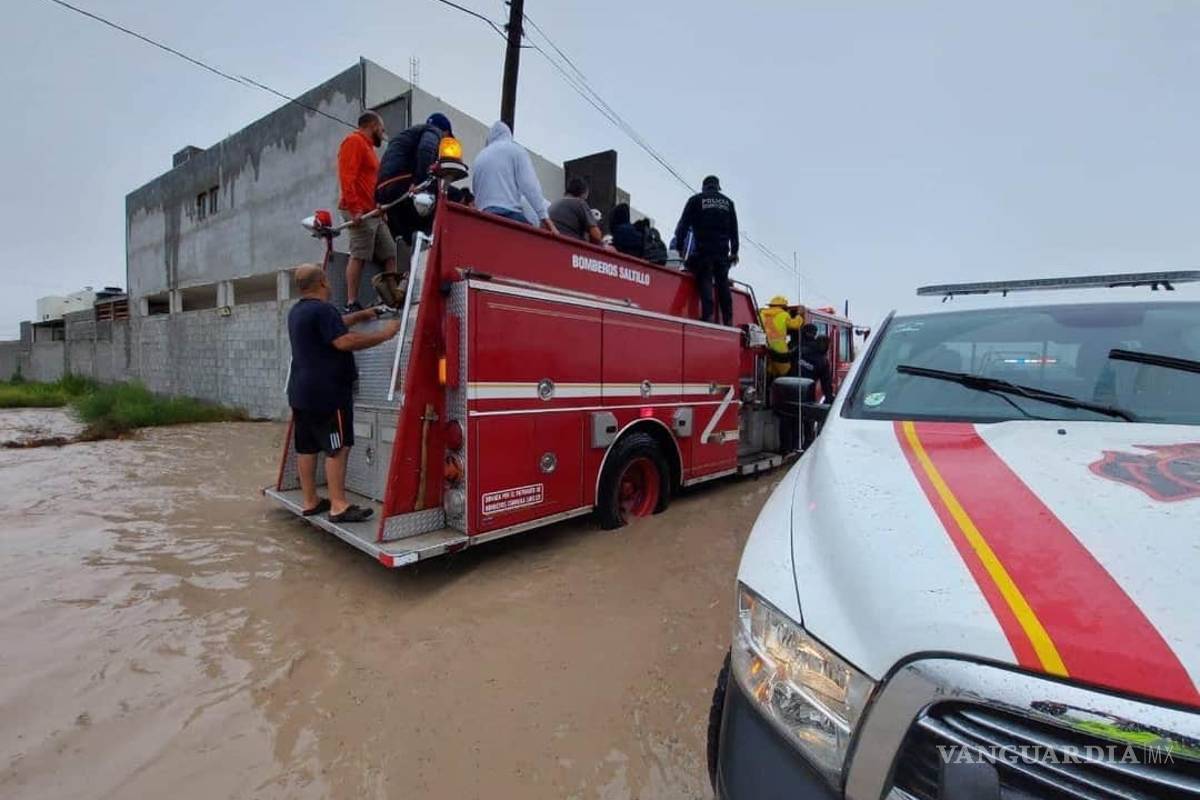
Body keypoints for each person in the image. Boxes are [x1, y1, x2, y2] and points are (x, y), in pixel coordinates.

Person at [287, 264, 400, 523]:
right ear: (323, 282)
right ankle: (338, 506)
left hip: (301, 393)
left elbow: (333, 325)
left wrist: (363, 315)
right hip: (328, 394)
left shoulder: (298, 311)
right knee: (337, 447)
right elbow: (343, 340)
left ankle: (310, 501)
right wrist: (385, 334)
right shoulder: (323, 310)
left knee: (307, 447)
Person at [337, 111, 397, 313]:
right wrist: (355, 209)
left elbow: (371, 183)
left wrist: (380, 206)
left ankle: (391, 297)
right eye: (382, 129)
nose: (383, 133)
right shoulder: (353, 142)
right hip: (359, 211)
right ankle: (351, 302)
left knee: (390, 253)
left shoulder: (369, 148)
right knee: (359, 254)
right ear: (373, 125)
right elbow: (347, 177)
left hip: (373, 212)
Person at [375, 112, 455, 248]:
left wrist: (378, 199)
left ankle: (408, 255)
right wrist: (419, 183)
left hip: (384, 191)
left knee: (404, 235)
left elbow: (384, 167)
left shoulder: (405, 137)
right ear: (446, 132)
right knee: (439, 199)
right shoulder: (434, 131)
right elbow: (426, 148)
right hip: (402, 183)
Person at [674, 175, 739, 324]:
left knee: (705, 279)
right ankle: (728, 319)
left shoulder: (695, 200)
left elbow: (683, 225)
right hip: (722, 252)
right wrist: (734, 252)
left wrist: (679, 246)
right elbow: (734, 231)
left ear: (704, 187)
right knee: (723, 283)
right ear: (718, 187)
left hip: (703, 251)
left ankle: (708, 315)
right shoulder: (728, 203)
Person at [472, 121, 558, 233]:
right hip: (508, 215)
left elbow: (476, 191)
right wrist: (545, 218)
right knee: (532, 240)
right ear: (508, 135)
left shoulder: (479, 157)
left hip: (483, 217)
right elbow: (530, 186)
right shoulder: (515, 150)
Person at [548, 177, 603, 244]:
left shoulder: (553, 204)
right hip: (568, 244)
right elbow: (596, 236)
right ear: (584, 193)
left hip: (549, 242)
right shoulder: (580, 203)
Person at [760, 296, 801, 377]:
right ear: (784, 307)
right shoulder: (784, 314)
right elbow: (795, 325)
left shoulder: (761, 314)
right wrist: (799, 315)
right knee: (785, 371)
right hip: (779, 347)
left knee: (768, 370)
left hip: (763, 345)